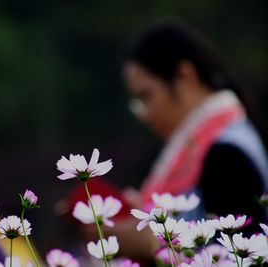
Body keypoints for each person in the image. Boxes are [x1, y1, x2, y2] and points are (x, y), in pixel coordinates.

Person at [98, 20, 268, 263]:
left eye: (146, 96)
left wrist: (151, 244)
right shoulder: (220, 140)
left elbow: (237, 256)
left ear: (185, 77)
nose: (143, 114)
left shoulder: (226, 152)